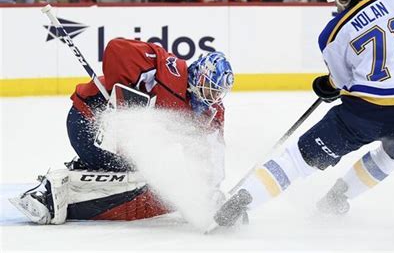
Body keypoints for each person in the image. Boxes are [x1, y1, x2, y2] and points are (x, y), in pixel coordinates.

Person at [212, 0, 394, 227]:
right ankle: (336, 198)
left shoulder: (333, 34)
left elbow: (342, 83)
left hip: (367, 114)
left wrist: (327, 85)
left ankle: (242, 202)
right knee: (393, 157)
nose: (338, 3)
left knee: (298, 159)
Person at [10, 38, 234, 225]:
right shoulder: (169, 71)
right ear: (198, 76)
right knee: (141, 185)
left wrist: (210, 194)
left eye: (217, 94)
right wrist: (126, 100)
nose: (210, 98)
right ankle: (53, 193)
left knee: (158, 193)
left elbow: (208, 152)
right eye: (208, 89)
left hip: (116, 142)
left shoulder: (210, 113)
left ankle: (74, 185)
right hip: (87, 122)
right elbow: (117, 49)